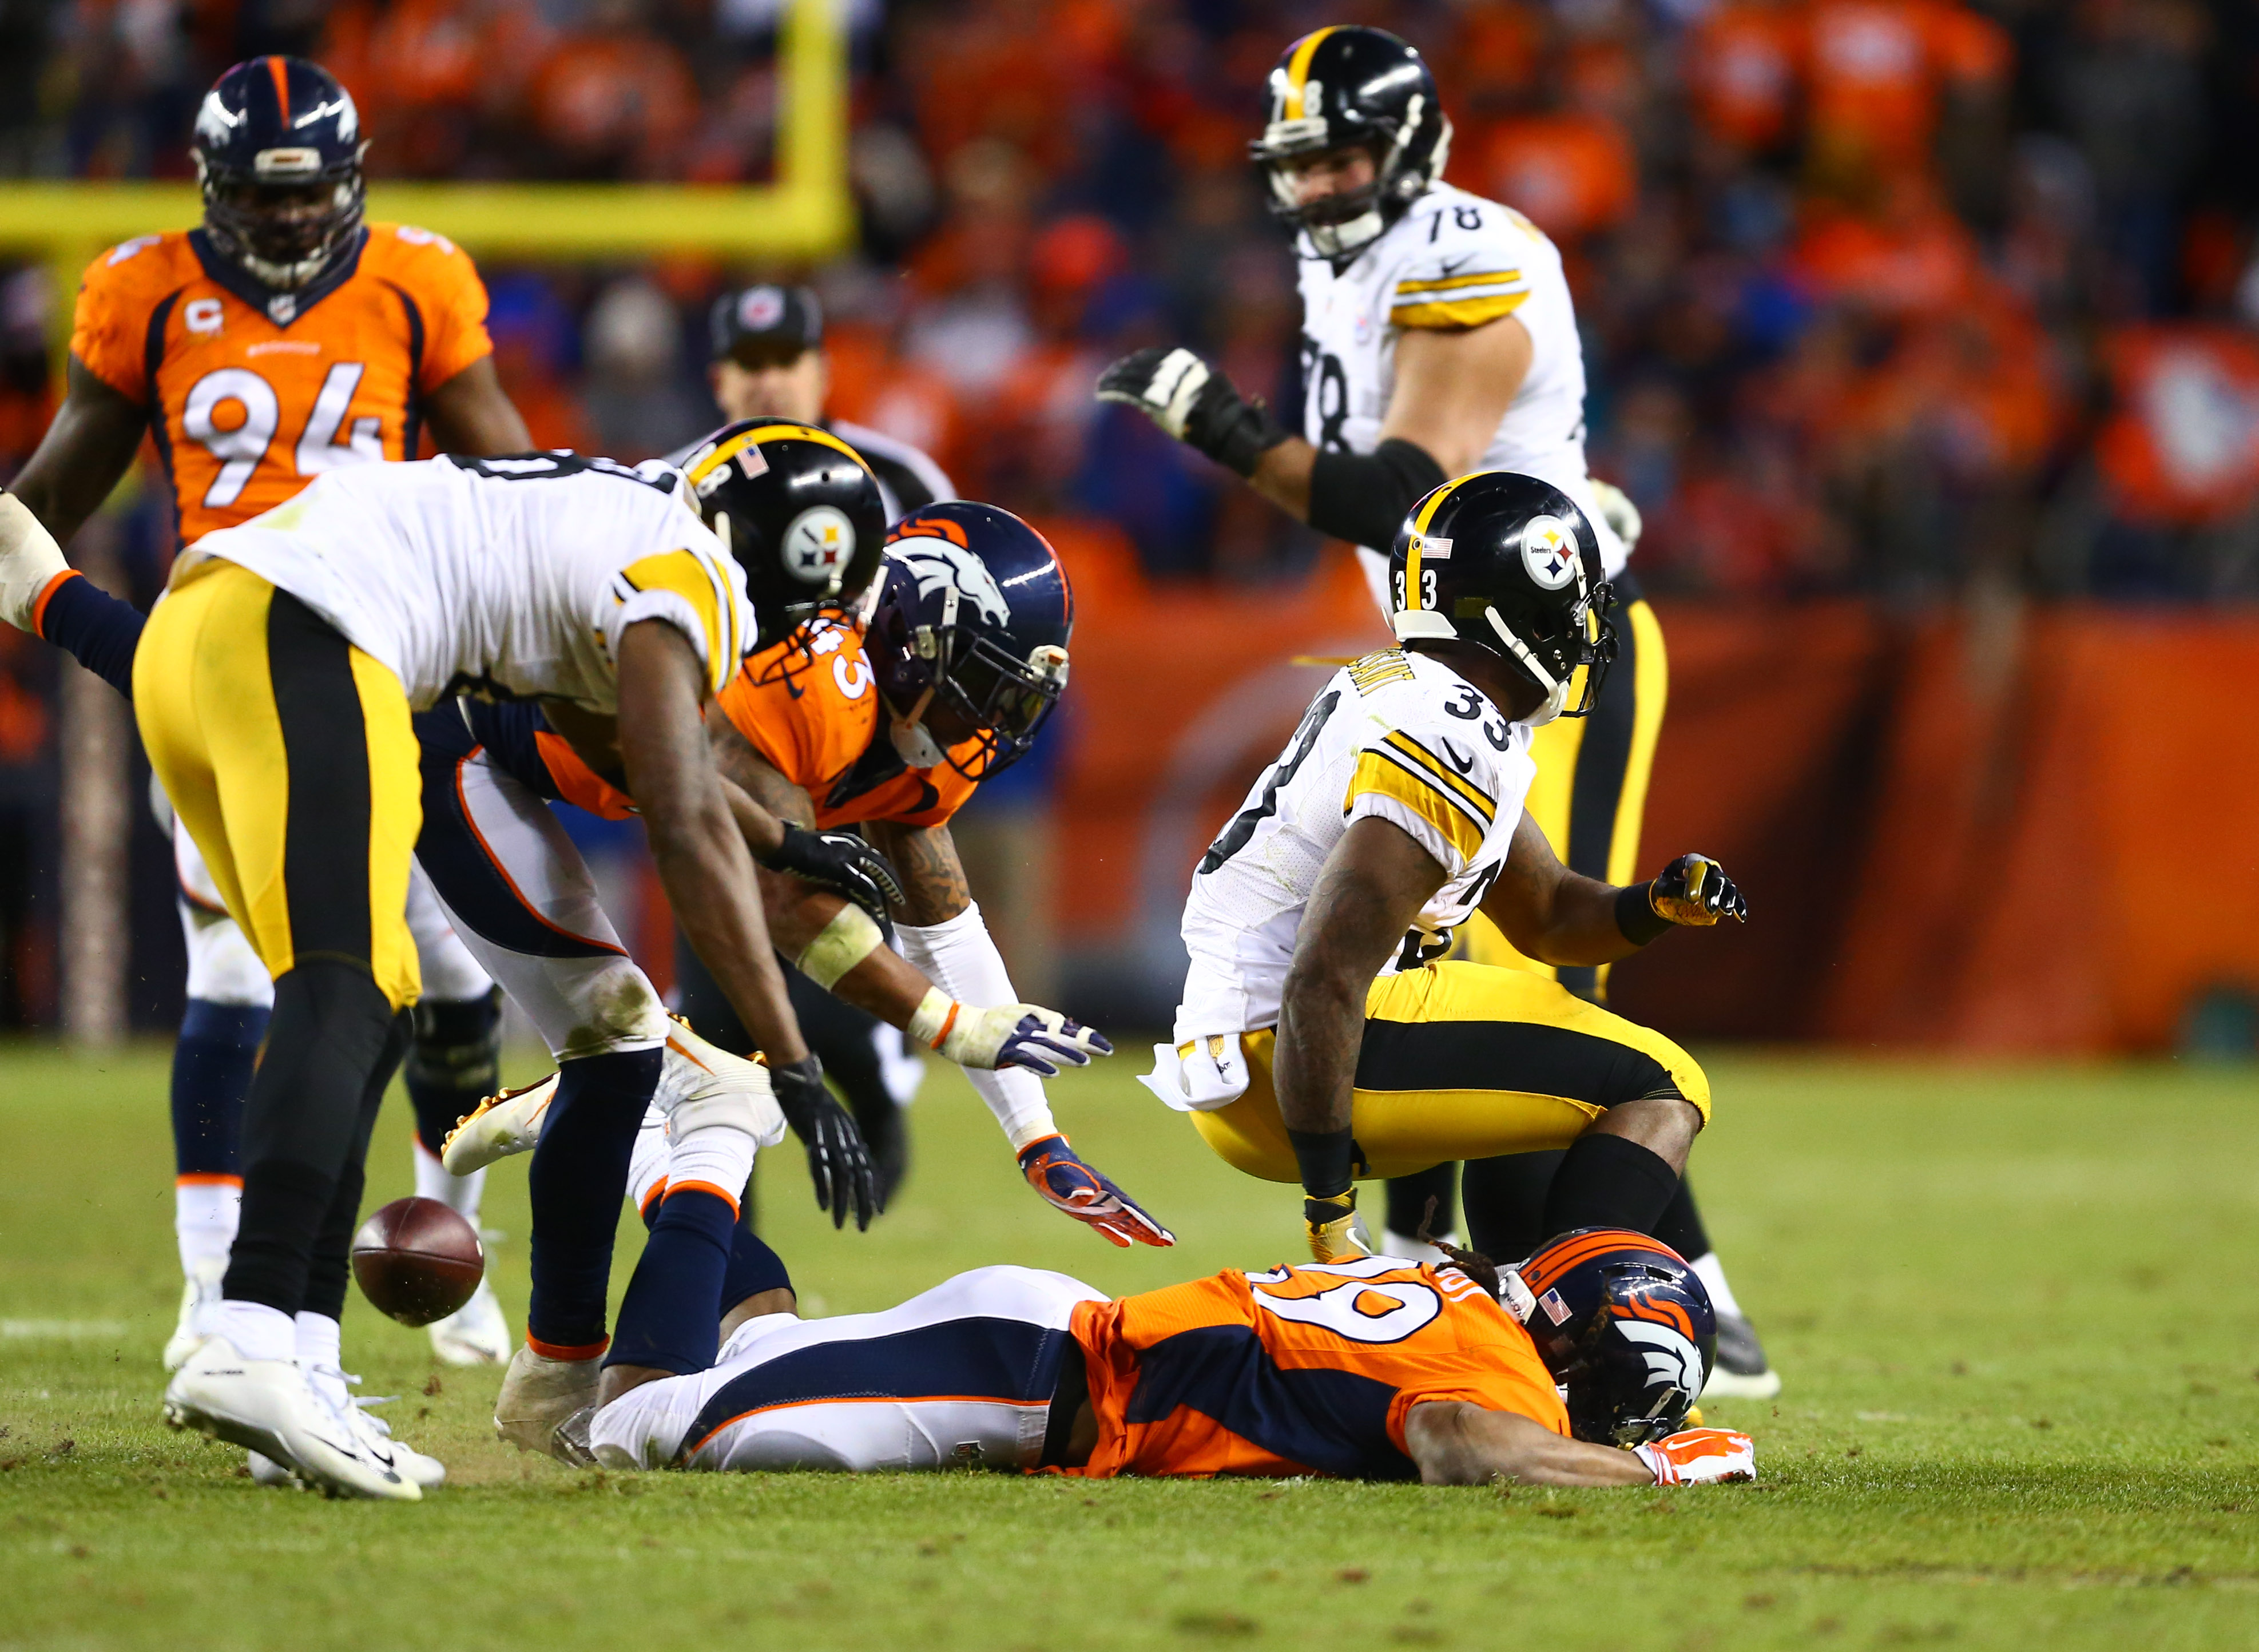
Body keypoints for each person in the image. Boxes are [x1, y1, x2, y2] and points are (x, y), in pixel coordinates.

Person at [1097, 24, 1777, 1397]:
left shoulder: (1471, 254)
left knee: (1530, 984)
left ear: (1411, 149)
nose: (1323, 186)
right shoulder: (1341, 263)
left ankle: (1666, 1295)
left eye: (1346, 156)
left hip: (1547, 648)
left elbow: (1393, 490)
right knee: (1461, 975)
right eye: (1303, 162)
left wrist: (1217, 423)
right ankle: (1496, 1285)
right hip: (1459, 654)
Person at [0, 438, 861, 1499]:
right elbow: (678, 818)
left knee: (369, 999)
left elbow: (629, 754)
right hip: (310, 636)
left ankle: (301, 1360)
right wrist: (789, 1057)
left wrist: (779, 846)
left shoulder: (621, 521)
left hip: (202, 632)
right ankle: (255, 1334)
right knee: (348, 989)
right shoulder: (695, 572)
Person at [3, 55, 535, 1371]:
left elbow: (511, 477)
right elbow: (44, 498)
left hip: (389, 666)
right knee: (241, 975)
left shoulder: (416, 280)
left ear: (351, 183)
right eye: (260, 195)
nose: (291, 221)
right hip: (237, 674)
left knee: (457, 989)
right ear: (212, 186)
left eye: (309, 196)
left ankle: (448, 1246)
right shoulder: (147, 289)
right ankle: (210, 1291)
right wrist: (103, 624)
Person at [449, 493, 1174, 1283]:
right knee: (679, 1074)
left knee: (684, 1083)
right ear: (915, 635)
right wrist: (945, 1027)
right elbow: (784, 900)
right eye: (983, 685)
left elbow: (946, 929)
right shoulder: (813, 678)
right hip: (479, 756)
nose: (993, 723)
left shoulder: (914, 728)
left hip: (616, 792)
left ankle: (625, 1200)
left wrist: (1037, 1140)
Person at [1140, 473, 1744, 1273]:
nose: (1580, 633)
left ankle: (1517, 1336)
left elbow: (1551, 914)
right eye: (1570, 610)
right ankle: (1576, 1319)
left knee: (1553, 1079)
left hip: (1264, 1041)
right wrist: (1329, 1214)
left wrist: (1653, 906)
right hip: (1287, 1051)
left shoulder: (1422, 696)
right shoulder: (1446, 732)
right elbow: (1325, 973)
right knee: (1664, 1082)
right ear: (1515, 611)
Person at [585, 1184, 1756, 1489]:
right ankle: (688, 1145)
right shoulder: (1490, 1367)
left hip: (1038, 1339)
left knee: (748, 1353)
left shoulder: (1459, 1298)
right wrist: (1645, 1466)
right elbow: (1462, 1440)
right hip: (1019, 1376)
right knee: (633, 1418)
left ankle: (685, 1166)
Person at [672, 283, 958, 1191]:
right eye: (748, 366)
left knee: (836, 1003)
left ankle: (874, 1087)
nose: (767, 382)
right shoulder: (678, 478)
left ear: (822, 369)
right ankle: (728, 1259)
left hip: (850, 782)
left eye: (784, 361)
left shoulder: (897, 475)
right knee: (719, 1026)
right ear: (719, 377)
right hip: (725, 773)